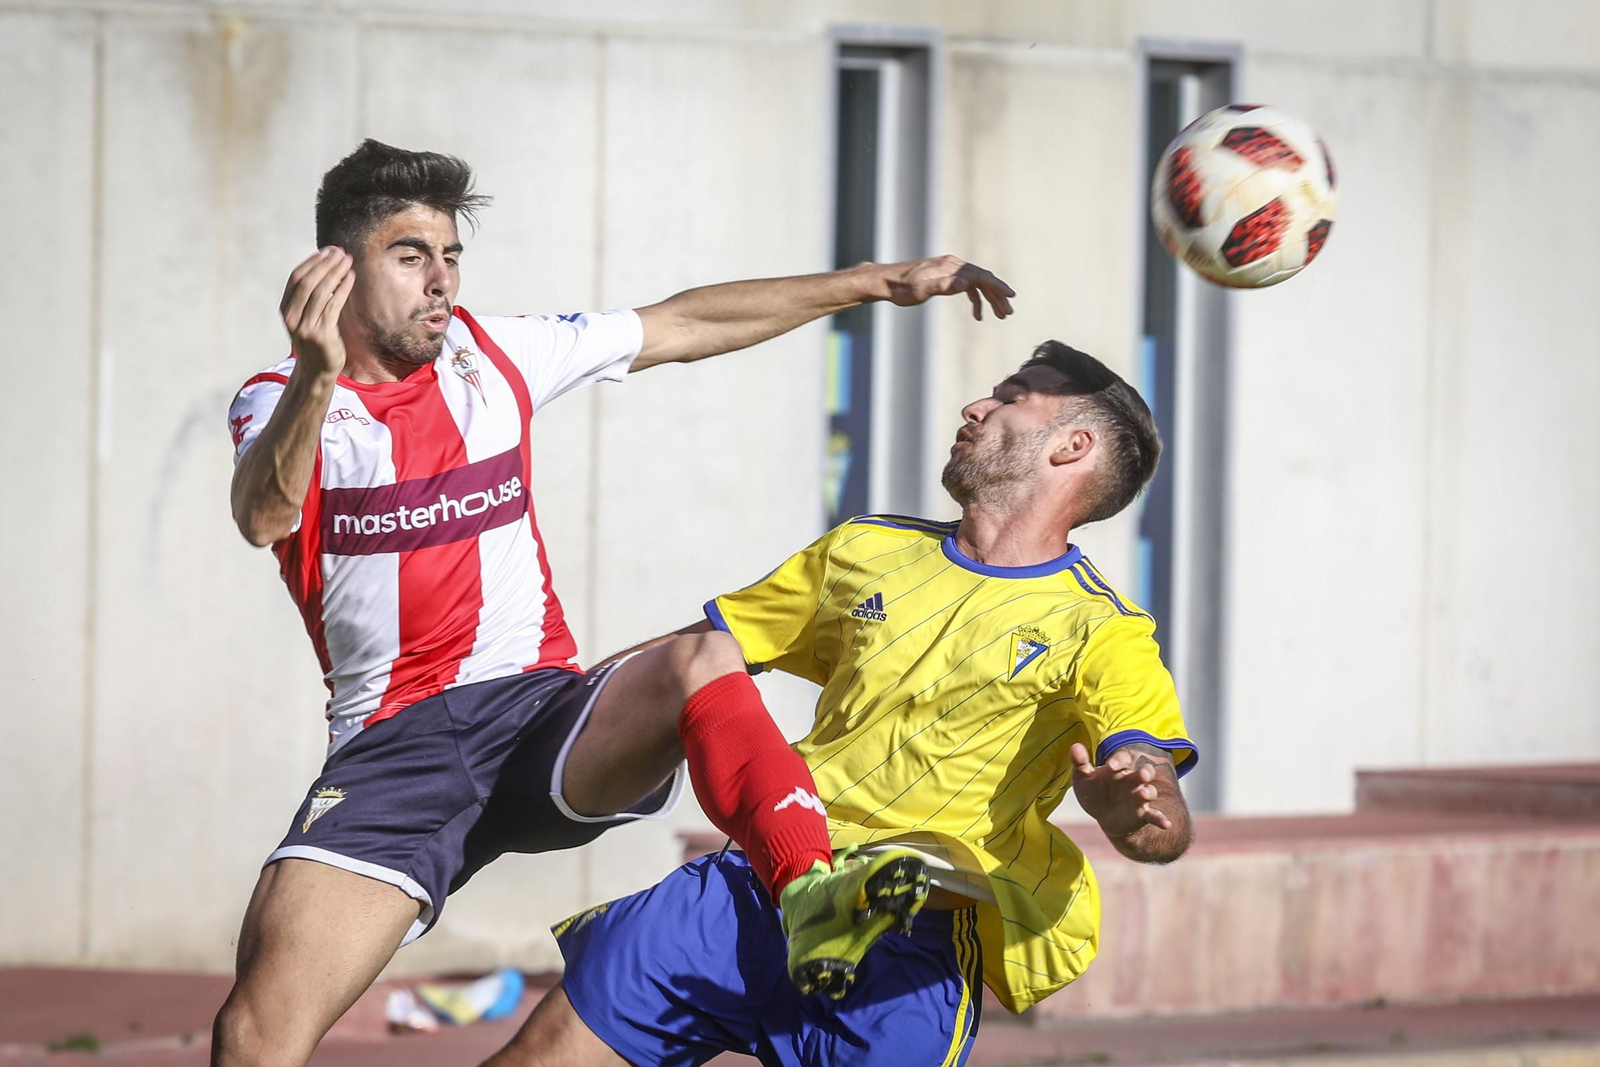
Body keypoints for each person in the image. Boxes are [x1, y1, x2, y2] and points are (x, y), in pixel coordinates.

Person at [213, 139, 1016, 1067]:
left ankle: (810, 893)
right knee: (253, 1035)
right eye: (410, 256)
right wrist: (315, 374)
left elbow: (680, 324)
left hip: (539, 720)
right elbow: (264, 515)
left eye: (451, 256)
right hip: (393, 755)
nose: (441, 282)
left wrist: (881, 281)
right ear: (336, 271)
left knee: (699, 656)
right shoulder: (279, 397)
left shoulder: (493, 355)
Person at [484, 341, 1199, 1067]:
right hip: (744, 893)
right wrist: (547, 709)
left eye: (1011, 397)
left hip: (902, 952)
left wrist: (1140, 815)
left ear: (1072, 445)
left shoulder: (1104, 629)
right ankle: (806, 893)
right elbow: (698, 651)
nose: (974, 406)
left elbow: (1154, 799)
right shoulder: (866, 548)